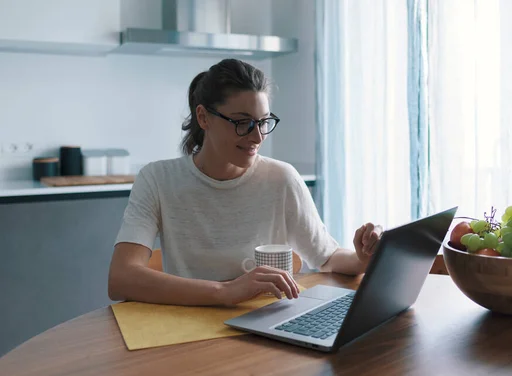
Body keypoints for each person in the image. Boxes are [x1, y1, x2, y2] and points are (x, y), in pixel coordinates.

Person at [108, 59, 382, 307]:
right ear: (203, 117)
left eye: (263, 122)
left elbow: (328, 257)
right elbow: (121, 279)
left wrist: (363, 258)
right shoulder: (158, 180)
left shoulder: (282, 178)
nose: (257, 137)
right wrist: (225, 291)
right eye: (242, 123)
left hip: (267, 328)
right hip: (189, 331)